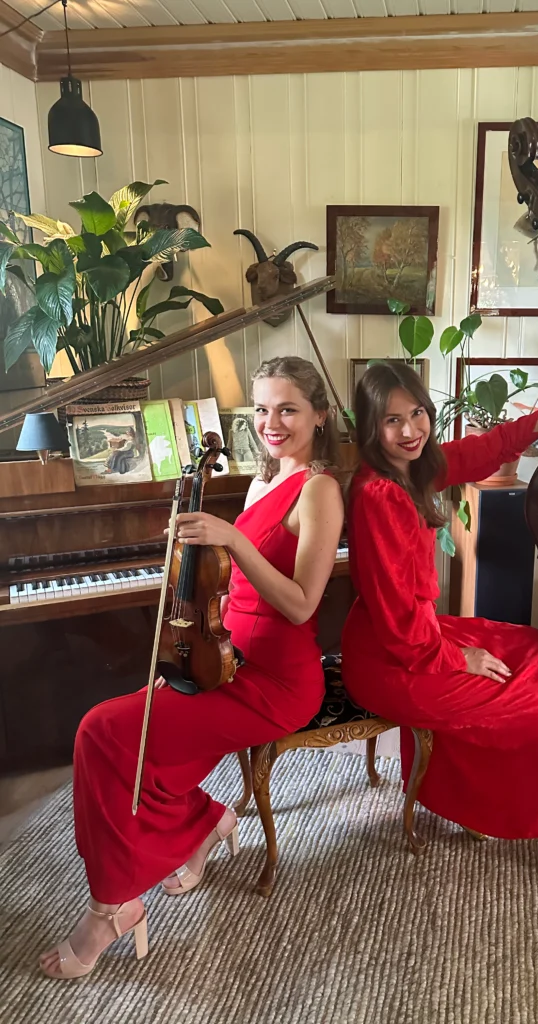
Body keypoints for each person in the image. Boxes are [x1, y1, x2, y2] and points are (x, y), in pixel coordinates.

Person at [39, 356, 345, 979]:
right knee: (135, 744)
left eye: (288, 408)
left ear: (319, 414)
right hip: (226, 659)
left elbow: (298, 602)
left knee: (102, 731)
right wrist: (189, 654)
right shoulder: (262, 483)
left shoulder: (320, 490)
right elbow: (235, 594)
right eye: (261, 409)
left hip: (278, 682)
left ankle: (112, 907)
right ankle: (207, 822)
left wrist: (232, 540)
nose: (271, 422)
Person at [342, 361, 538, 884]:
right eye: (392, 421)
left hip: (414, 635)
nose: (410, 430)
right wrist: (460, 658)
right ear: (371, 428)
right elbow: (400, 626)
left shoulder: (413, 468)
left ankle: (480, 805)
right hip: (391, 658)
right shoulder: (379, 496)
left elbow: (490, 447)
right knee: (531, 700)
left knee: (532, 647)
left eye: (417, 413)